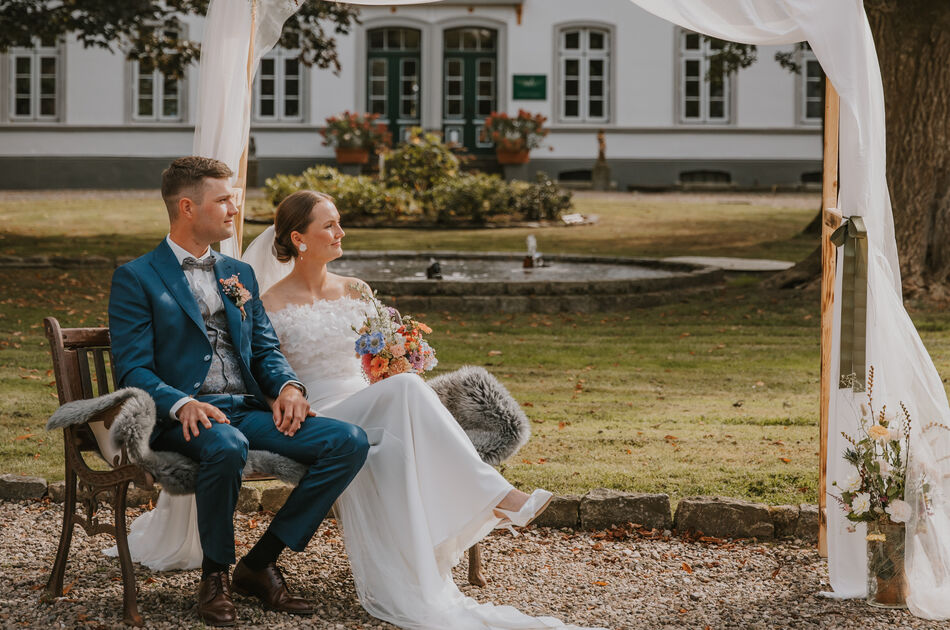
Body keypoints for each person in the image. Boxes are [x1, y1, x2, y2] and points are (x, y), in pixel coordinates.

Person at [238, 189, 598, 630]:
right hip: (323, 415)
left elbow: (379, 358)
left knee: (402, 392)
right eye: (329, 225)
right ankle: (498, 495)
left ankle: (420, 565)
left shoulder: (357, 290)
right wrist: (282, 398)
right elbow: (264, 374)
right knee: (406, 388)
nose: (341, 231)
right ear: (299, 238)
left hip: (375, 399)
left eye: (339, 222)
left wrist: (397, 356)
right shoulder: (269, 304)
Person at [107, 157, 370, 627]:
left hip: (246, 410)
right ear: (188, 207)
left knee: (348, 442)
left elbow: (265, 348)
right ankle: (215, 576)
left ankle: (261, 561)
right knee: (226, 447)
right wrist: (183, 402)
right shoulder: (137, 277)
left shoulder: (238, 273)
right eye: (224, 199)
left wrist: (288, 386)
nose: (235, 208)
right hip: (178, 419)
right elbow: (133, 369)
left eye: (234, 197)